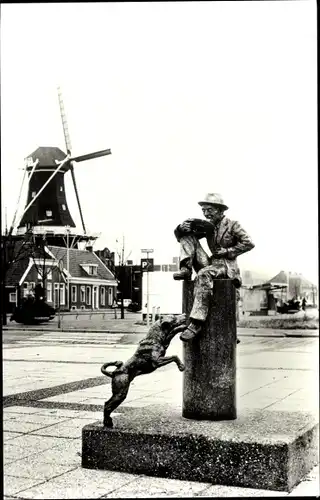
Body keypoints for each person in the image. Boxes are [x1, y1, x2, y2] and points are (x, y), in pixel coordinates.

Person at [173, 193, 255, 341]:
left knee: (204, 274)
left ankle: (196, 323)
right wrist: (181, 228)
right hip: (212, 263)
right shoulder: (207, 227)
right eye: (203, 210)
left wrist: (229, 251)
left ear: (220, 210)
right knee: (187, 237)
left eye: (209, 209)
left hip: (226, 266)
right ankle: (186, 269)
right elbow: (184, 237)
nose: (206, 213)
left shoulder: (232, 225)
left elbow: (249, 243)